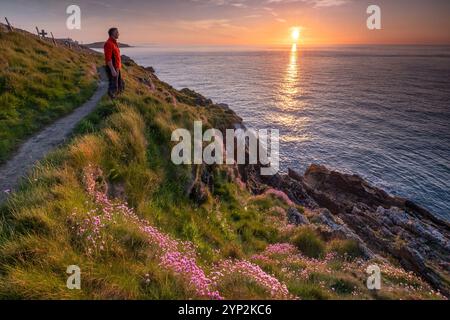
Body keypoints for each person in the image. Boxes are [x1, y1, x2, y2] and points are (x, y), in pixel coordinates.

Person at [104, 27, 125, 98]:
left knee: (119, 85)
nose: (118, 34)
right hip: (112, 68)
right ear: (113, 33)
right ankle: (111, 102)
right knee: (113, 86)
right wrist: (112, 69)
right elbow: (108, 58)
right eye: (117, 32)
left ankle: (117, 99)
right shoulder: (109, 43)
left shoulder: (114, 43)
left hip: (117, 67)